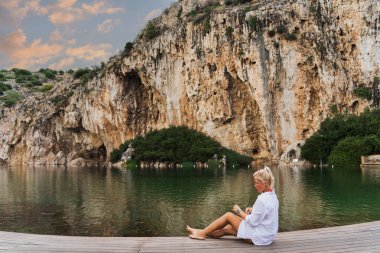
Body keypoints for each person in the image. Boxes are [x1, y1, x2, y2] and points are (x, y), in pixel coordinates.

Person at [186, 166, 279, 245]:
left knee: (228, 216)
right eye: (254, 183)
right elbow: (267, 212)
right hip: (267, 236)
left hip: (259, 237)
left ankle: (201, 233)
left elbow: (253, 222)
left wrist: (239, 211)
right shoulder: (273, 195)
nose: (254, 185)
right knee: (227, 229)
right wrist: (253, 210)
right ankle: (200, 231)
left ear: (265, 182)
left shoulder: (262, 199)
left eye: (257, 183)